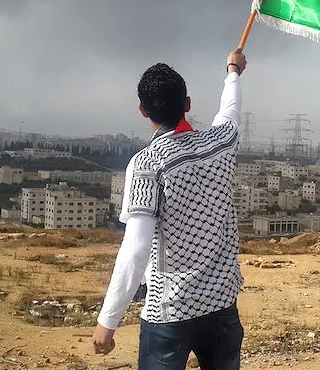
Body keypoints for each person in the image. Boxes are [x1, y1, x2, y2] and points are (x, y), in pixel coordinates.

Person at [92, 47, 248, 369]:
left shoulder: (148, 164)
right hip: (222, 304)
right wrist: (233, 71)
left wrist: (108, 320)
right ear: (187, 104)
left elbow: (135, 249)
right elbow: (230, 110)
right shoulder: (219, 144)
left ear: (142, 110)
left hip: (169, 310)